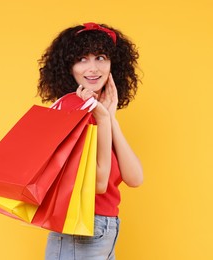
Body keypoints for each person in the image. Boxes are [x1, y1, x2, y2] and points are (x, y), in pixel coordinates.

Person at [37, 22, 144, 260]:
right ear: (68, 67)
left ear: (113, 64)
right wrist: (103, 120)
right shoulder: (70, 112)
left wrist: (110, 116)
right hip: (80, 230)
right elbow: (98, 184)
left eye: (100, 57)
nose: (93, 68)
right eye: (81, 59)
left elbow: (135, 178)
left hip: (104, 229)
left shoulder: (97, 112)